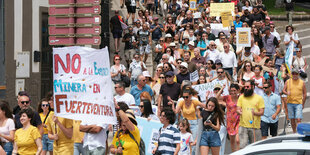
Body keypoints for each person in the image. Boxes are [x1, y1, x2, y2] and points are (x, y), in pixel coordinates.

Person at [173, 88, 206, 155]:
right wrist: (172, 105)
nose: (185, 99)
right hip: (185, 124)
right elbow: (176, 111)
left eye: (186, 97)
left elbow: (205, 106)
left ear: (190, 96)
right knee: (183, 143)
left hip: (193, 124)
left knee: (193, 144)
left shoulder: (194, 102)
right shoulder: (181, 102)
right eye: (183, 97)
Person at [237, 80, 265, 149]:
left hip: (255, 127)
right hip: (243, 126)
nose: (245, 88)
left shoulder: (259, 98)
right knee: (242, 147)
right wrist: (239, 111)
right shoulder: (241, 97)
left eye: (247, 87)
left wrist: (255, 113)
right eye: (245, 87)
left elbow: (262, 112)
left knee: (256, 148)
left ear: (252, 87)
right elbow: (238, 109)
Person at [282, 68, 307, 133]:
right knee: (292, 119)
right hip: (290, 103)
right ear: (291, 74)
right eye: (293, 73)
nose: (295, 75)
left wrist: (303, 104)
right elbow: (283, 90)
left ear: (298, 74)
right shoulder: (288, 81)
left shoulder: (302, 82)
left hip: (298, 103)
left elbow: (304, 94)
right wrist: (287, 93)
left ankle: (299, 132)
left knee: (298, 119)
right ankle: (294, 132)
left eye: (296, 73)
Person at [224, 84, 240, 152]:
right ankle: (234, 153)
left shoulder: (241, 97)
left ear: (238, 90)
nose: (233, 92)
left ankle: (239, 153)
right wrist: (222, 88)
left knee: (238, 140)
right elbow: (217, 98)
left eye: (234, 90)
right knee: (232, 141)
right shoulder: (227, 97)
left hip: (239, 120)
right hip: (230, 122)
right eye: (231, 90)